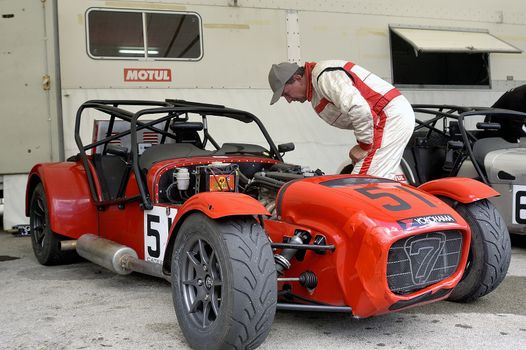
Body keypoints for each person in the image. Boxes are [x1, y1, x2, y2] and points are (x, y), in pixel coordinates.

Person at [268, 60, 415, 180]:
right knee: (378, 180)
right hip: (386, 117)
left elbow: (359, 109)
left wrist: (364, 146)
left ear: (298, 79)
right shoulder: (317, 84)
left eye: (286, 94)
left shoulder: (324, 77)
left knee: (364, 184)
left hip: (388, 116)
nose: (288, 100)